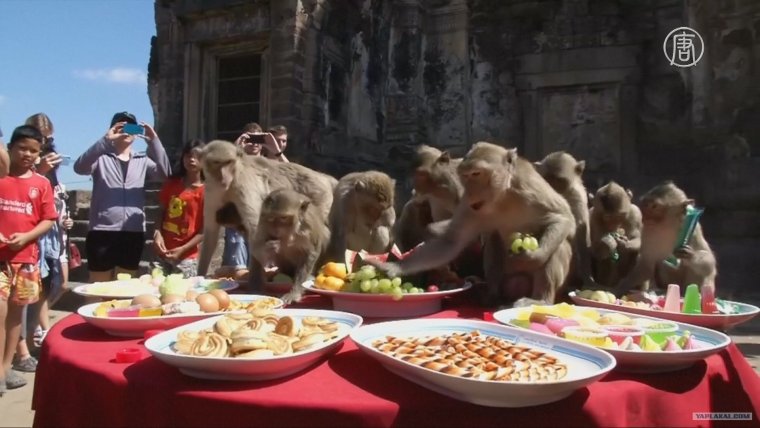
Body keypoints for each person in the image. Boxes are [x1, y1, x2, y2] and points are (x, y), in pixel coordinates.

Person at [73, 112, 171, 285]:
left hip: (132, 232)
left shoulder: (142, 159)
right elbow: (80, 167)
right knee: (98, 286)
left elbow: (166, 174)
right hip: (102, 231)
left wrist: (154, 141)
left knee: (124, 287)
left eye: (132, 127)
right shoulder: (100, 157)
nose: (127, 131)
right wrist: (105, 140)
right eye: (121, 127)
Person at [0, 125, 57, 395]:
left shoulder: (41, 184)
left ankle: (5, 367)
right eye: (22, 148)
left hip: (26, 260)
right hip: (1, 261)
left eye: (34, 151)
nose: (27, 154)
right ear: (10, 147)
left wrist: (27, 236)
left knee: (15, 317)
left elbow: (47, 219)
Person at [153, 139, 205, 277]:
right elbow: (161, 211)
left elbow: (205, 230)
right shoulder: (171, 184)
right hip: (162, 252)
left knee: (181, 294)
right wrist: (157, 233)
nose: (192, 160)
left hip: (187, 256)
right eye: (188, 156)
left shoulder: (208, 191)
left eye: (197, 156)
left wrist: (182, 249)